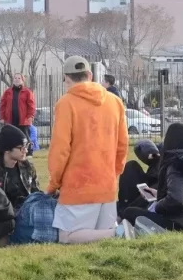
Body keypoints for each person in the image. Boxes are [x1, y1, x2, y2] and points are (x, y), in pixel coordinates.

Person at [47, 56, 134, 243]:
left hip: (77, 184)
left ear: (67, 78)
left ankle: (118, 233)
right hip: (107, 183)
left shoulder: (66, 103)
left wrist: (54, 183)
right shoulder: (114, 101)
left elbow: (60, 149)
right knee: (101, 239)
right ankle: (116, 233)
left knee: (67, 237)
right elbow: (122, 143)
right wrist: (114, 171)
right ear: (90, 75)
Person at [0, 124, 40, 212]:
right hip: (0, 220)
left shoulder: (28, 168)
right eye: (22, 148)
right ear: (7, 150)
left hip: (25, 217)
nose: (26, 151)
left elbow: (36, 193)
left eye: (27, 146)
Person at [117, 140, 161, 217]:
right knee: (130, 166)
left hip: (161, 189)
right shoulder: (161, 153)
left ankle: (123, 212)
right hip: (153, 182)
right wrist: (154, 154)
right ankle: (124, 209)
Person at [0, 73, 36, 157]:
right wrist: (2, 117)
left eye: (19, 78)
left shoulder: (27, 92)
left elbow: (31, 105)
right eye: (15, 78)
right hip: (11, 119)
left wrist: (31, 116)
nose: (17, 79)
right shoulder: (8, 92)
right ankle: (10, 151)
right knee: (11, 136)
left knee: (25, 136)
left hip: (23, 119)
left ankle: (29, 152)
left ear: (22, 80)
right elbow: (2, 105)